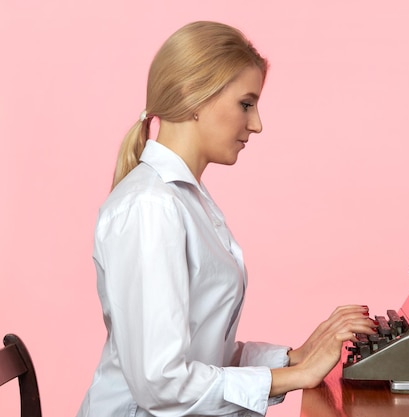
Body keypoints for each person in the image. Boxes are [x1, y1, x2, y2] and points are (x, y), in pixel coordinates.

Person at [76, 21, 376, 417]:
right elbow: (161, 382)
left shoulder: (183, 199)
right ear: (192, 97)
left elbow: (203, 351)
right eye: (246, 104)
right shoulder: (150, 208)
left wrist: (291, 357)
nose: (257, 124)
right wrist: (296, 376)